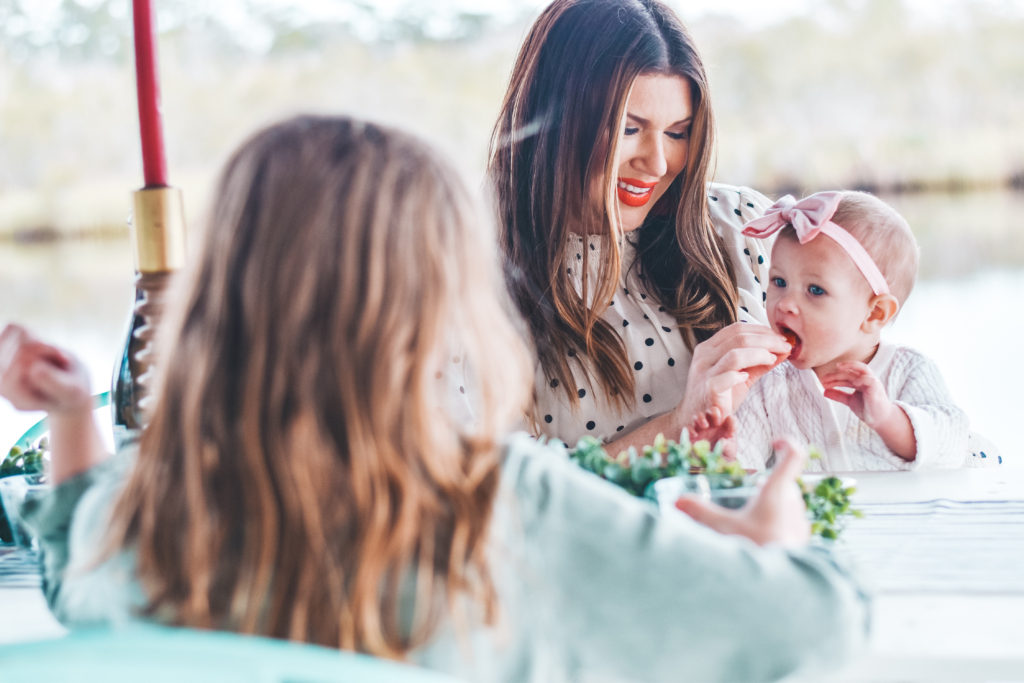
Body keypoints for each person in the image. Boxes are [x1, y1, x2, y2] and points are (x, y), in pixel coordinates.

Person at [0, 115, 867, 681]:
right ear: (437, 295)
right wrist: (780, 542)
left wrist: (77, 416)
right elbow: (815, 627)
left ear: (221, 295)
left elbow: (74, 575)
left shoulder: (148, 524)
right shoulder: (501, 504)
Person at [488, 0, 792, 451]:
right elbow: (497, 498)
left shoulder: (746, 226)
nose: (656, 163)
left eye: (677, 133)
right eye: (627, 129)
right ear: (551, 121)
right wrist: (677, 425)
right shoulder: (468, 273)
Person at [734, 190, 990, 471]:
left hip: (904, 513)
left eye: (815, 290)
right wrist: (719, 443)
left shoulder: (907, 371)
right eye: (779, 281)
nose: (785, 304)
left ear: (875, 313)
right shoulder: (768, 383)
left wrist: (888, 419)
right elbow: (742, 467)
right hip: (813, 514)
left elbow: (952, 441)